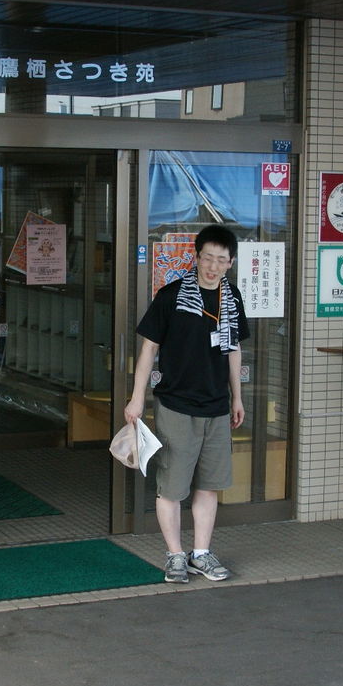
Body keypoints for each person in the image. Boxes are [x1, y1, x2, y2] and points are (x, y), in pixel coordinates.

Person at [125, 224, 249, 584]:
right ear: (196, 257)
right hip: (176, 405)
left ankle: (201, 554)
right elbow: (149, 348)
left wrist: (237, 397)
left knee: (209, 485)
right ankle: (175, 555)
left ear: (230, 263)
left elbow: (233, 348)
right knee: (172, 487)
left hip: (217, 406)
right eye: (207, 258)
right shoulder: (171, 295)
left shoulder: (232, 298)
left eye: (221, 260)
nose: (213, 266)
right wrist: (137, 398)